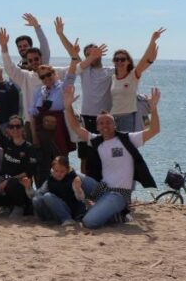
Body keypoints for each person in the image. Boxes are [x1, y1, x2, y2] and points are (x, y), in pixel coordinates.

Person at [63, 85, 162, 228]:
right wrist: (68, 106)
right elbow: (76, 127)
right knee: (70, 174)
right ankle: (83, 207)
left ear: (115, 124)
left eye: (108, 122)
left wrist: (153, 108)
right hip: (101, 188)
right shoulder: (97, 141)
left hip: (119, 194)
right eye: (101, 123)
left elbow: (154, 130)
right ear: (97, 127)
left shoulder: (128, 139)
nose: (105, 125)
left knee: (89, 222)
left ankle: (117, 213)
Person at [54, 17, 113, 172]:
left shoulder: (110, 71)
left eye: (94, 53)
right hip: (86, 118)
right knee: (85, 156)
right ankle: (86, 188)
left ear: (101, 53)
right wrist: (61, 34)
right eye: (88, 54)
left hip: (105, 119)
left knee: (104, 155)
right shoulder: (85, 70)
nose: (91, 56)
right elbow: (73, 54)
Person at [0, 92, 38, 218]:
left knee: (12, 184)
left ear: (23, 129)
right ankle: (7, 206)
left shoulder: (29, 148)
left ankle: (19, 206)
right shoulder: (7, 143)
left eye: (18, 126)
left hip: (20, 186)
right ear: (8, 130)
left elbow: (29, 172)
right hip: (4, 182)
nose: (15, 129)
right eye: (12, 127)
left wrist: (8, 181)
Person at [111, 28, 164, 132]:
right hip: (112, 118)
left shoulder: (133, 75)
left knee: (128, 147)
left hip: (128, 118)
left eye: (123, 59)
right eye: (117, 59)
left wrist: (152, 41)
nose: (119, 62)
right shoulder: (112, 77)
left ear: (128, 62)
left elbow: (144, 59)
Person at [33, 156, 87, 226]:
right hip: (54, 211)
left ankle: (67, 219)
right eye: (56, 171)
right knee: (36, 199)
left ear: (67, 170)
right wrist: (28, 187)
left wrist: (78, 189)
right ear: (52, 170)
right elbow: (38, 194)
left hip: (68, 209)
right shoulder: (50, 179)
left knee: (48, 196)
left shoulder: (73, 179)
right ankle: (46, 219)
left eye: (62, 171)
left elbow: (81, 198)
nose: (58, 174)